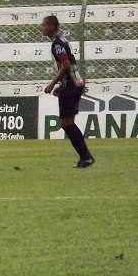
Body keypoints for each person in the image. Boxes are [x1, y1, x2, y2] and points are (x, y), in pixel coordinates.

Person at [41, 15, 95, 168]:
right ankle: (85, 157)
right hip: (74, 82)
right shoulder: (62, 40)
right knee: (67, 122)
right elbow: (70, 63)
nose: (42, 28)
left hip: (72, 84)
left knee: (67, 123)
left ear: (51, 26)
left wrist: (52, 84)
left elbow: (65, 65)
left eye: (44, 25)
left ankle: (86, 157)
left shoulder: (57, 44)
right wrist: (62, 84)